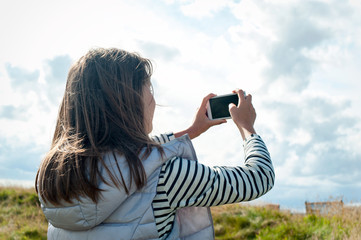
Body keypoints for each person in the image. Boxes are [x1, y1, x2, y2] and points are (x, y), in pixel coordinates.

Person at [35, 48, 275, 240]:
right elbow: (258, 178)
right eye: (148, 87)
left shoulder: (55, 175)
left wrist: (191, 131)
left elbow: (129, 155)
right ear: (128, 100)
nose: (153, 98)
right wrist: (247, 127)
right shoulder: (166, 177)